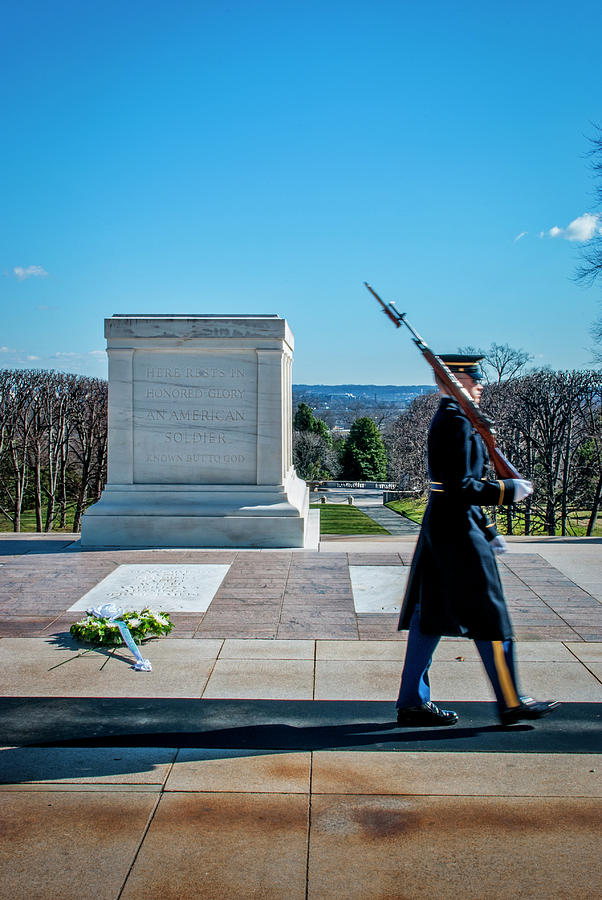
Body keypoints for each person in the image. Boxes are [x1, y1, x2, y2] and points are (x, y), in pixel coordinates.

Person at [395, 354, 559, 727]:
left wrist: (488, 529)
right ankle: (511, 700)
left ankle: (412, 702)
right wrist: (506, 490)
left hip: (446, 527)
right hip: (457, 535)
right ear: (456, 382)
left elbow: (454, 489)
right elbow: (460, 486)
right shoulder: (455, 421)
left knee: (429, 615)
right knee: (490, 615)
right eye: (473, 378)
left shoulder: (459, 419)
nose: (480, 384)